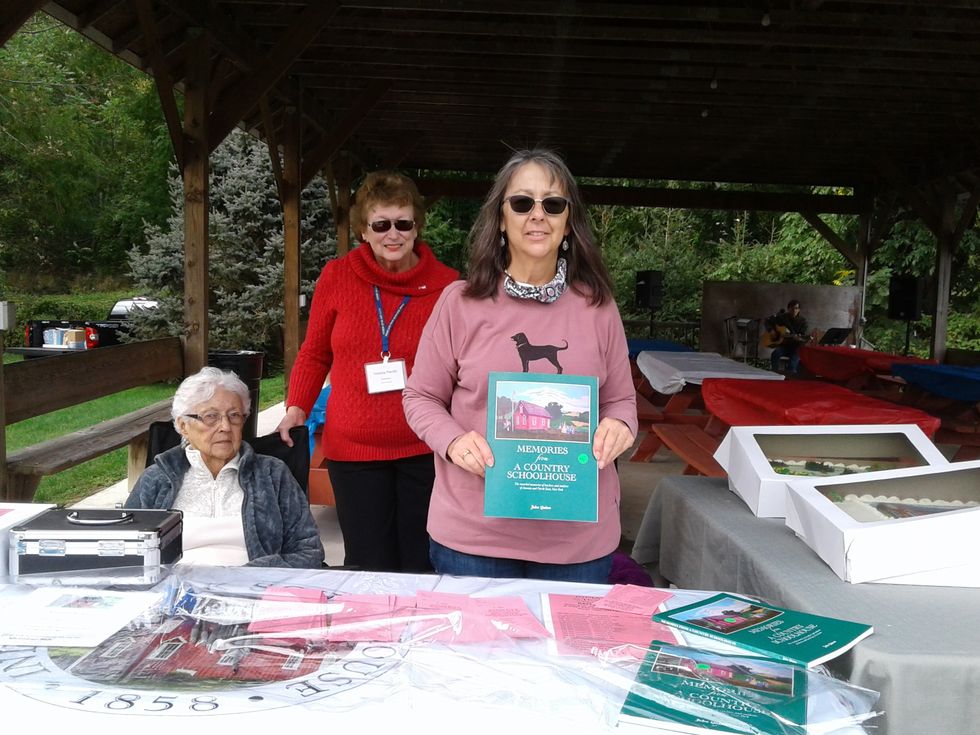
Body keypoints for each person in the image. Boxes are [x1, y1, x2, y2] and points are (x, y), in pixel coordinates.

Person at [402, 148, 637, 584]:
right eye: (522, 202)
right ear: (501, 218)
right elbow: (420, 397)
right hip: (474, 539)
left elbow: (621, 399)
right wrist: (453, 441)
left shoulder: (599, 308)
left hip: (578, 541)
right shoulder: (459, 303)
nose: (538, 215)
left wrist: (620, 426)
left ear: (569, 222)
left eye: (553, 204)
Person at [276, 171, 458, 572]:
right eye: (381, 224)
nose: (393, 234)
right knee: (367, 566)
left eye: (403, 223)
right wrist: (296, 407)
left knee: (422, 564)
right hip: (354, 452)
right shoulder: (338, 277)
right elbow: (314, 353)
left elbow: (464, 365)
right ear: (363, 230)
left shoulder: (449, 287)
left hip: (425, 449)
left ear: (416, 227)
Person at [126, 367, 324, 568]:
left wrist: (253, 575)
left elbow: (309, 551)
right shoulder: (157, 478)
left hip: (255, 589)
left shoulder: (272, 474)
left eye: (234, 416)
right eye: (211, 416)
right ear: (183, 426)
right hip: (175, 590)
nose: (225, 427)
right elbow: (125, 548)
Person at [767, 299, 810, 374]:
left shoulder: (803, 321)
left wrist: (798, 338)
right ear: (788, 308)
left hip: (796, 347)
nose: (794, 310)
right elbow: (768, 321)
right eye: (792, 308)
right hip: (784, 346)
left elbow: (803, 335)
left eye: (796, 308)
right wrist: (772, 330)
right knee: (775, 354)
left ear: (799, 310)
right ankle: (774, 373)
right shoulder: (782, 317)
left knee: (793, 362)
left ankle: (791, 376)